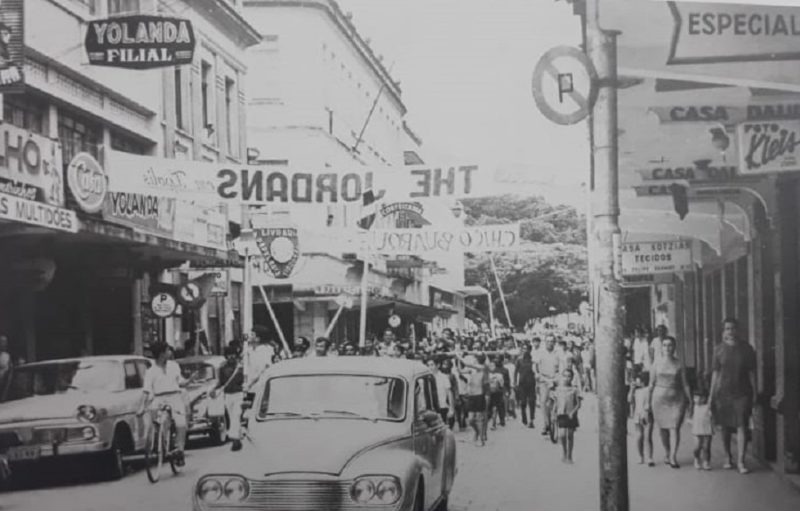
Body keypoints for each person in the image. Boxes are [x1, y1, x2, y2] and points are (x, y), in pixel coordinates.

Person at [709, 317, 757, 474]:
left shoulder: (747, 349)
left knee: (742, 425)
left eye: (733, 328)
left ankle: (741, 461)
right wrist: (711, 396)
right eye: (727, 328)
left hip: (742, 393)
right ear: (723, 331)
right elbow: (715, 374)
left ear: (738, 330)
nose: (730, 331)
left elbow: (751, 373)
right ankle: (727, 456)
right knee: (725, 427)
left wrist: (755, 392)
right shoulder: (718, 349)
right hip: (723, 393)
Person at [136, 342, 197, 466]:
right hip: (159, 398)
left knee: (181, 423)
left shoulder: (174, 366)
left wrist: (190, 380)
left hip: (175, 396)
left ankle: (179, 449)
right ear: (162, 354)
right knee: (160, 423)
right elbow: (146, 391)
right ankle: (162, 445)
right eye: (168, 350)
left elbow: (181, 382)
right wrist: (141, 407)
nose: (170, 353)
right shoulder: (151, 371)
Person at [647, 336, 691, 468]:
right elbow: (651, 384)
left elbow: (685, 384)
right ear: (661, 347)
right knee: (663, 429)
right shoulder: (656, 363)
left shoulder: (679, 364)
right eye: (665, 345)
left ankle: (673, 456)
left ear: (674, 347)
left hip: (677, 399)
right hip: (659, 399)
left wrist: (690, 400)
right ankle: (667, 452)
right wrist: (647, 403)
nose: (667, 348)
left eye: (670, 345)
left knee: (674, 427)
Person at [211, 345, 245, 451]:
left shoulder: (241, 367)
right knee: (232, 417)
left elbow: (246, 380)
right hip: (228, 395)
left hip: (239, 394)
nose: (231, 357)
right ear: (226, 356)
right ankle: (237, 440)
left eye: (233, 354)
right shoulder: (222, 368)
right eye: (229, 354)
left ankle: (234, 438)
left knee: (236, 415)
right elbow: (220, 383)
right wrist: (213, 390)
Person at [460, 353, 489, 446]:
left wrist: (459, 356)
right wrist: (457, 360)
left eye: (475, 359)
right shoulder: (472, 370)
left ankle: (481, 439)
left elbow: (468, 364)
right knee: (471, 420)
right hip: (471, 396)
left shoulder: (483, 368)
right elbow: (459, 371)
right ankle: (477, 432)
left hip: (479, 395)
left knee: (479, 418)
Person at [554, 367, 582, 463]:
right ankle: (564, 453)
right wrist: (554, 414)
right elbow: (556, 402)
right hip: (561, 414)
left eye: (569, 376)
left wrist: (572, 412)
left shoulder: (574, 390)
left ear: (572, 378)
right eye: (565, 376)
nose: (567, 378)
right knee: (562, 435)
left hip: (570, 415)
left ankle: (569, 455)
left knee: (570, 435)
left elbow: (578, 404)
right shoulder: (558, 389)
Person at [538, 336, 563, 436]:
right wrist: (540, 377)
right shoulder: (541, 354)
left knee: (556, 401)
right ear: (545, 342)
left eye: (552, 341)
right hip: (544, 380)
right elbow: (536, 368)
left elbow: (562, 367)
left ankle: (556, 419)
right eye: (548, 341)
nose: (550, 343)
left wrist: (558, 378)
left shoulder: (558, 353)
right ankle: (546, 424)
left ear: (555, 342)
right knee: (543, 402)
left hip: (555, 379)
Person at [629, 367, 654, 466]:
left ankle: (649, 457)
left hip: (647, 414)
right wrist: (631, 389)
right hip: (638, 414)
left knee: (647, 437)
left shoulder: (649, 390)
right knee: (640, 437)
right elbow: (629, 400)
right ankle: (641, 456)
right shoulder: (636, 391)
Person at [692, 377, 714, 471]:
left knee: (706, 447)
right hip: (697, 430)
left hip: (707, 430)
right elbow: (690, 417)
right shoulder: (694, 407)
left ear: (705, 398)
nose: (698, 399)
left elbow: (711, 403)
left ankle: (706, 462)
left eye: (701, 397)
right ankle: (696, 458)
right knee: (697, 447)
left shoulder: (708, 407)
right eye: (696, 397)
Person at [244, 326, 276, 390]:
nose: (249, 336)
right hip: (250, 386)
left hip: (260, 387)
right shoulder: (250, 350)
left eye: (252, 334)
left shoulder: (265, 350)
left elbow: (261, 371)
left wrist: (249, 385)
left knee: (252, 399)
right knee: (247, 400)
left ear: (258, 338)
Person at [427, 359, 455, 426]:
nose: (430, 367)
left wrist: (451, 408)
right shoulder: (427, 378)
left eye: (432, 365)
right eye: (428, 365)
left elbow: (449, 393)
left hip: (442, 407)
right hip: (430, 409)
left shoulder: (444, 377)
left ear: (438, 365)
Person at [515, 343, 537, 428]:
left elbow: (536, 371)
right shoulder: (519, 360)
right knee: (523, 402)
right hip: (522, 383)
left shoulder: (533, 360)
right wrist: (515, 381)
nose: (525, 350)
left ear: (530, 350)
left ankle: (531, 420)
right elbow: (516, 371)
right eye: (524, 349)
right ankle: (524, 418)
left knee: (532, 402)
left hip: (531, 383)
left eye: (527, 349)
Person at [487, 358, 506, 430]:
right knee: (494, 408)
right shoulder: (499, 375)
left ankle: (493, 423)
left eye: (492, 366)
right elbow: (501, 385)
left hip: (493, 394)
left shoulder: (488, 375)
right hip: (494, 393)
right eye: (490, 366)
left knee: (493, 408)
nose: (491, 367)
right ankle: (494, 423)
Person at [503, 353, 517, 419]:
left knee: (512, 399)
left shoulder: (512, 366)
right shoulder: (503, 366)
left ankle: (513, 412)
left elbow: (515, 375)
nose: (505, 360)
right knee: (506, 399)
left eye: (506, 358)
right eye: (504, 359)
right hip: (505, 385)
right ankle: (506, 413)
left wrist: (515, 383)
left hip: (511, 384)